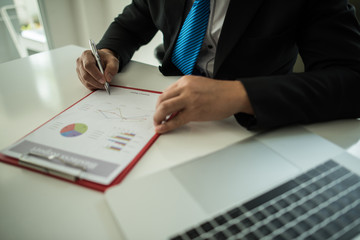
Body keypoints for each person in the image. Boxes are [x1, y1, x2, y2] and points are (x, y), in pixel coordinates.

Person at [76, 0, 360, 134]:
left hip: (250, 130)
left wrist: (240, 95)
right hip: (167, 114)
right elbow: (136, 17)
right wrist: (107, 50)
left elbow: (351, 80)